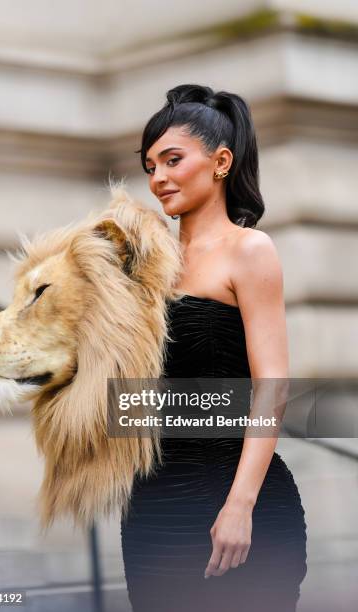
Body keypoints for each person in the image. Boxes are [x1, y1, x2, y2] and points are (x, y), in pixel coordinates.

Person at [120, 84, 307, 612]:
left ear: (221, 162)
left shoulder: (249, 250)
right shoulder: (145, 265)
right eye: (150, 165)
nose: (158, 179)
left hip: (241, 506)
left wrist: (239, 507)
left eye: (173, 160)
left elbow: (272, 388)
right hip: (152, 512)